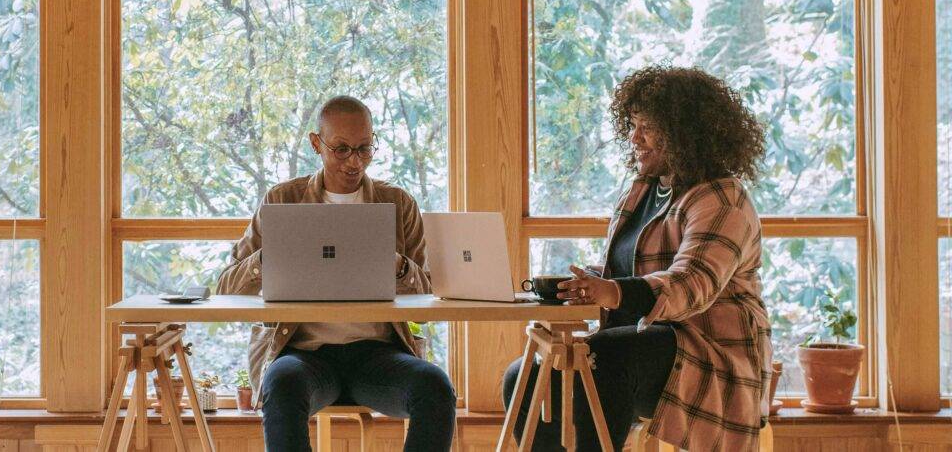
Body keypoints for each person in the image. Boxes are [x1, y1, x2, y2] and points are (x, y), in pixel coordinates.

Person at [503, 66, 773, 451]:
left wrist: (611, 291)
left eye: (647, 127)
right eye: (632, 125)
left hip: (707, 353)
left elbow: (689, 285)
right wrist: (587, 284)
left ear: (685, 133)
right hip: (643, 344)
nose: (634, 137)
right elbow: (626, 273)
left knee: (604, 359)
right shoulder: (645, 189)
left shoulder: (722, 200)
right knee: (525, 376)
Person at [217, 95, 456, 452]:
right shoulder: (282, 200)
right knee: (280, 383)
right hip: (302, 354)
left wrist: (398, 267)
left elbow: (425, 300)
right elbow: (225, 286)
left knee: (434, 386)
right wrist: (273, 256)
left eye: (364, 148)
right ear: (317, 143)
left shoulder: (398, 204)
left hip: (378, 355)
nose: (354, 161)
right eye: (341, 149)